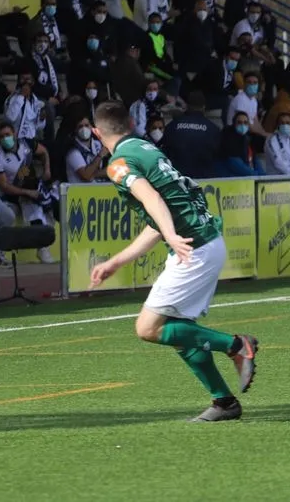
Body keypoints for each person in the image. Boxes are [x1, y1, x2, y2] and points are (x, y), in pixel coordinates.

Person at [87, 100, 259, 422]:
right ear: (132, 124)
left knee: (148, 328)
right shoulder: (146, 148)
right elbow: (159, 216)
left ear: (97, 133)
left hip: (193, 247)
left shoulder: (117, 163)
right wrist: (118, 262)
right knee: (179, 331)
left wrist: (173, 236)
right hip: (204, 242)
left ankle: (236, 345)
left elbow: (153, 200)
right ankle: (224, 402)